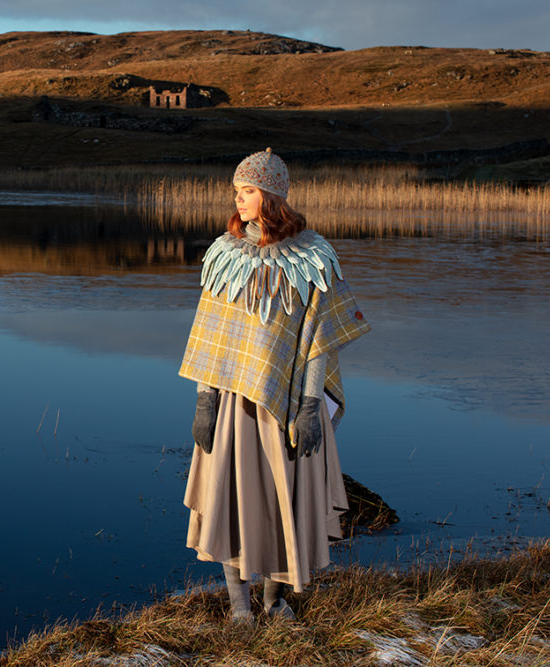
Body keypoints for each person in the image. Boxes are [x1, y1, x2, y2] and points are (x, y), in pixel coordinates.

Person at [178, 148, 370, 622]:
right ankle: (240, 607)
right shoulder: (225, 256)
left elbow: (318, 339)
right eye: (237, 191)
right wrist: (204, 400)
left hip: (285, 407)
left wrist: (309, 405)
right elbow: (209, 334)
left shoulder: (312, 258)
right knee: (231, 502)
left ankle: (273, 599)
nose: (238, 200)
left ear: (271, 195)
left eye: (247, 191)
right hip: (233, 404)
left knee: (280, 504)